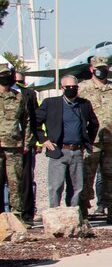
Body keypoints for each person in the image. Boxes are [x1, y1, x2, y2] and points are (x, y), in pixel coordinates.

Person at [78, 55, 112, 223]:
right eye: (99, 67)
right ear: (92, 69)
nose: (102, 70)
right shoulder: (82, 88)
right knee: (87, 176)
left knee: (110, 175)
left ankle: (111, 210)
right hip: (91, 140)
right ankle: (83, 210)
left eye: (105, 67)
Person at [39, 76, 97, 209]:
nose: (72, 89)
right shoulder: (50, 104)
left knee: (77, 187)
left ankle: (73, 214)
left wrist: (87, 142)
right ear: (61, 88)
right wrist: (44, 140)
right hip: (58, 150)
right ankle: (55, 214)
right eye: (68, 87)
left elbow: (94, 124)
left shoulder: (84, 104)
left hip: (76, 151)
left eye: (74, 87)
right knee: (56, 186)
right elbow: (35, 123)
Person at [0, 61, 34, 220]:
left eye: (7, 75)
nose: (5, 78)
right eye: (2, 76)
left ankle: (17, 218)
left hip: (14, 146)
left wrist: (26, 142)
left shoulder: (18, 97)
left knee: (15, 184)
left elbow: (26, 121)